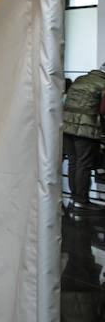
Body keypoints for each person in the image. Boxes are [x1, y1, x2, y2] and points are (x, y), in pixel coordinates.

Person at [64, 65, 105, 213]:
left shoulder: (80, 80)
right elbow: (103, 110)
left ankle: (75, 198)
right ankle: (81, 200)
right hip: (86, 129)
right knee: (84, 164)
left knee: (74, 162)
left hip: (67, 127)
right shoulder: (103, 85)